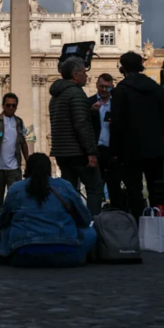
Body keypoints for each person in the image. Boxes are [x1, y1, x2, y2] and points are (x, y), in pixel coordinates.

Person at [0, 153, 96, 267]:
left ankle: (4, 256)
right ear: (49, 169)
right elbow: (85, 219)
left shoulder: (16, 188)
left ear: (27, 169)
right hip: (65, 254)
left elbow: (1, 221)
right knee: (91, 232)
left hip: (24, 254)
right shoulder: (64, 186)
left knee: (7, 229)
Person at [110, 52, 164, 218]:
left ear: (122, 68)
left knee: (134, 190)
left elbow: (116, 123)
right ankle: (159, 227)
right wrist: (158, 134)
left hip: (130, 149)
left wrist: (115, 150)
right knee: (156, 190)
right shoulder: (155, 87)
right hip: (155, 147)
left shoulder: (121, 90)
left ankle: (139, 226)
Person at [49, 57, 103, 215]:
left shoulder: (56, 96)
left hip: (61, 151)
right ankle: (92, 224)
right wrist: (91, 151)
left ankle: (69, 224)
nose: (86, 76)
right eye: (84, 72)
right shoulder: (76, 93)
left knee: (69, 191)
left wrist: (88, 110)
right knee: (95, 188)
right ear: (75, 75)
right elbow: (81, 125)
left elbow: (67, 118)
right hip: (78, 151)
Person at [0, 93, 30, 216]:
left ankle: (13, 223)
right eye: (8, 105)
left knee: (16, 197)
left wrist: (28, 161)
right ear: (3, 106)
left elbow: (23, 143)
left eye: (14, 105)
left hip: (14, 168)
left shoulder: (19, 122)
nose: (11, 108)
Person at [88, 74, 122, 209]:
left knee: (115, 185)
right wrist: (92, 113)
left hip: (113, 150)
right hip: (95, 150)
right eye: (101, 86)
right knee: (95, 187)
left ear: (112, 87)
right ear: (96, 85)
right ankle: (95, 217)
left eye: (107, 87)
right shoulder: (89, 102)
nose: (103, 90)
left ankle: (117, 215)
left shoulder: (117, 104)